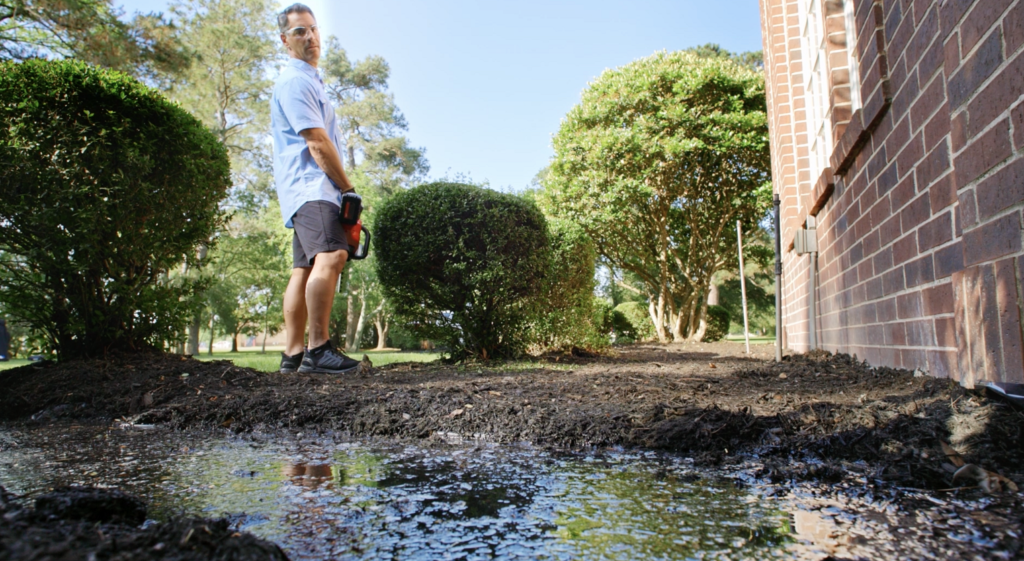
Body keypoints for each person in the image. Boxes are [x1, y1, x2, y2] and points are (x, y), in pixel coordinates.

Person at [271, 3, 360, 374]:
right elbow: (317, 142)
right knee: (331, 258)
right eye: (299, 32)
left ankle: (292, 356)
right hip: (313, 188)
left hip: (302, 190)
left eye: (313, 29)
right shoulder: (296, 81)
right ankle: (318, 349)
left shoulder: (308, 80)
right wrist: (348, 188)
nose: (310, 37)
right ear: (285, 41)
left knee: (304, 270)